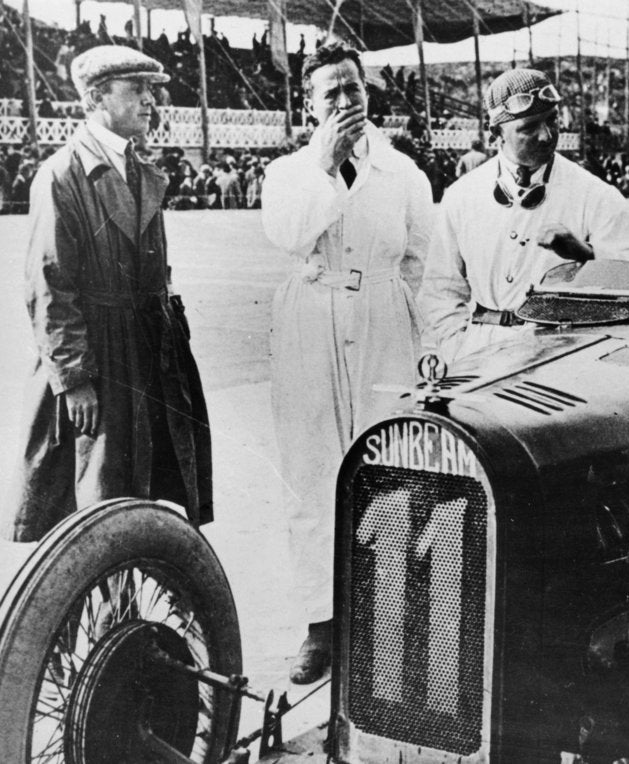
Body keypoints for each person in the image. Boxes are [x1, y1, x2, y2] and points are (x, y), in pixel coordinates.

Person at [261, 42, 433, 685]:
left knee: (391, 465)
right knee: (312, 471)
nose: (344, 102)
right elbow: (287, 234)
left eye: (353, 90)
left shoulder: (405, 173)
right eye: (330, 93)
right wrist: (324, 169)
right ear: (309, 105)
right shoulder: (288, 173)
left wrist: (402, 315)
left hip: (384, 315)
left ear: (369, 95)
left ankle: (389, 616)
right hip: (311, 311)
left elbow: (420, 258)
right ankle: (321, 623)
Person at [3, 45, 213, 542]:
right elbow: (49, 284)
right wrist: (73, 378)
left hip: (147, 353)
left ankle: (132, 609)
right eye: (137, 89)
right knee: (93, 504)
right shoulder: (60, 174)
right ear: (97, 96)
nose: (151, 101)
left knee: (145, 495)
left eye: (152, 90)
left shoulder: (139, 169)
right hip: (99, 360)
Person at [417, 67, 629, 364]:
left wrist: (588, 254)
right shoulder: (461, 196)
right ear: (496, 134)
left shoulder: (594, 194)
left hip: (562, 355)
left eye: (552, 120)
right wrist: (458, 348)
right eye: (529, 127)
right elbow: (440, 290)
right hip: (479, 354)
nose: (546, 135)